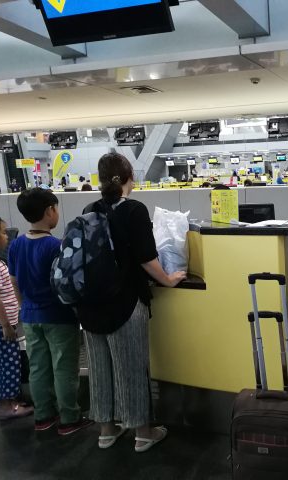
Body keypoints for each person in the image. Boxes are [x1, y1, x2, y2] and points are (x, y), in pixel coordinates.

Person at [80, 153, 186, 452]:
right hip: (124, 302)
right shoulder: (135, 210)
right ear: (129, 176)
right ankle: (142, 432)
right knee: (132, 368)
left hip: (91, 303)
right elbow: (146, 258)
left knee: (100, 369)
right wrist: (168, 279)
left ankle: (106, 431)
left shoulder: (89, 209)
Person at [8, 189, 92, 434]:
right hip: (58, 316)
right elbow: (66, 282)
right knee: (64, 368)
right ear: (49, 211)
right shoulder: (56, 246)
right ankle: (69, 418)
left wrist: (25, 306)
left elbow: (14, 281)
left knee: (38, 367)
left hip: (30, 316)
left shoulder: (16, 245)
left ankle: (43, 416)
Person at [0, 215, 34, 420]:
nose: (7, 236)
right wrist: (6, 325)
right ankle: (6, 406)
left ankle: (10, 402)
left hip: (1, 325)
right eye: (3, 233)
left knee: (8, 363)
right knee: (5, 365)